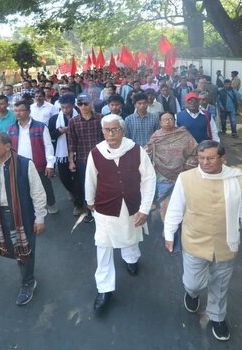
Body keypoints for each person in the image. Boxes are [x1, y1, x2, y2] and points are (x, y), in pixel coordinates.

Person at [163, 140, 242, 342]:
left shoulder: (238, 180)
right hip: (194, 242)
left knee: (220, 284)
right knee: (193, 283)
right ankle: (191, 293)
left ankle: (217, 317)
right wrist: (169, 234)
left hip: (226, 244)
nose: (204, 162)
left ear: (223, 158)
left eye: (210, 158)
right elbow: (175, 209)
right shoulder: (186, 178)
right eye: (200, 158)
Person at [85, 114, 156, 315]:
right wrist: (90, 201)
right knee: (104, 246)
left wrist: (144, 208)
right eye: (107, 130)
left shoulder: (136, 150)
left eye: (115, 129)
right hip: (105, 207)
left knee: (131, 234)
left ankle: (131, 259)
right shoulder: (96, 152)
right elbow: (90, 179)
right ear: (102, 131)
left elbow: (149, 179)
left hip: (132, 205)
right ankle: (104, 289)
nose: (111, 134)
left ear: (123, 131)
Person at [0, 133, 47, 305]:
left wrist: (40, 218)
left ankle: (28, 282)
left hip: (22, 214)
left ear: (7, 146)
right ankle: (26, 272)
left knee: (25, 250)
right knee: (13, 248)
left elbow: (38, 193)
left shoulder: (24, 164)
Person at [146, 112, 198, 254]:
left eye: (170, 119)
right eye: (164, 119)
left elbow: (195, 152)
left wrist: (187, 167)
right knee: (166, 207)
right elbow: (148, 154)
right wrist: (148, 150)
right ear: (160, 121)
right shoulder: (156, 136)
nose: (168, 121)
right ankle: (170, 234)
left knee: (183, 207)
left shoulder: (184, 134)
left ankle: (183, 235)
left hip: (183, 176)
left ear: (174, 120)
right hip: (163, 176)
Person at [8, 101, 58, 214]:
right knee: (24, 189)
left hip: (38, 164)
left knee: (45, 187)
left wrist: (50, 164)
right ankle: (31, 210)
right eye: (16, 111)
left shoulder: (40, 127)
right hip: (19, 165)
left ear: (29, 112)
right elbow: (9, 148)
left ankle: (51, 204)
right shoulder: (11, 129)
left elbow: (48, 146)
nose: (18, 113)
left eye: (21, 110)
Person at [68, 94, 104, 221]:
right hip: (82, 160)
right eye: (80, 104)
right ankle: (90, 211)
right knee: (86, 185)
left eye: (86, 103)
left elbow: (106, 139)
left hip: (101, 158)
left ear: (91, 103)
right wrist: (71, 161)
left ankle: (102, 210)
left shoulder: (101, 118)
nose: (83, 106)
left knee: (102, 184)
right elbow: (72, 142)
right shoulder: (73, 121)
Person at [48, 94, 81, 214]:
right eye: (63, 107)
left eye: (68, 107)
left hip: (78, 152)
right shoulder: (54, 119)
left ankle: (78, 203)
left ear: (73, 106)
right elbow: (50, 136)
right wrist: (59, 131)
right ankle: (73, 192)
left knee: (78, 179)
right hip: (61, 154)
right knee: (65, 178)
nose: (65, 110)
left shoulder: (80, 117)